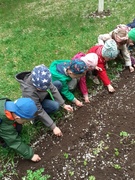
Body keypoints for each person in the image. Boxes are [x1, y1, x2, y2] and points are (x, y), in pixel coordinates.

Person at [16, 64, 73, 137]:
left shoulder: (43, 79)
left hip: (41, 97)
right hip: (35, 105)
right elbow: (39, 110)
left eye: (46, 87)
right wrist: (53, 126)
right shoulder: (29, 93)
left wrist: (63, 104)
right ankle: (34, 119)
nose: (46, 89)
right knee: (55, 106)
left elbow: (53, 89)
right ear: (35, 84)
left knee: (58, 84)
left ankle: (49, 102)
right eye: (42, 89)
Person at [0, 97, 41, 162]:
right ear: (17, 117)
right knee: (8, 140)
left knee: (18, 127)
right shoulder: (5, 125)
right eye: (25, 121)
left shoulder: (8, 105)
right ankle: (3, 141)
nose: (25, 122)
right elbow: (14, 141)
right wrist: (31, 155)